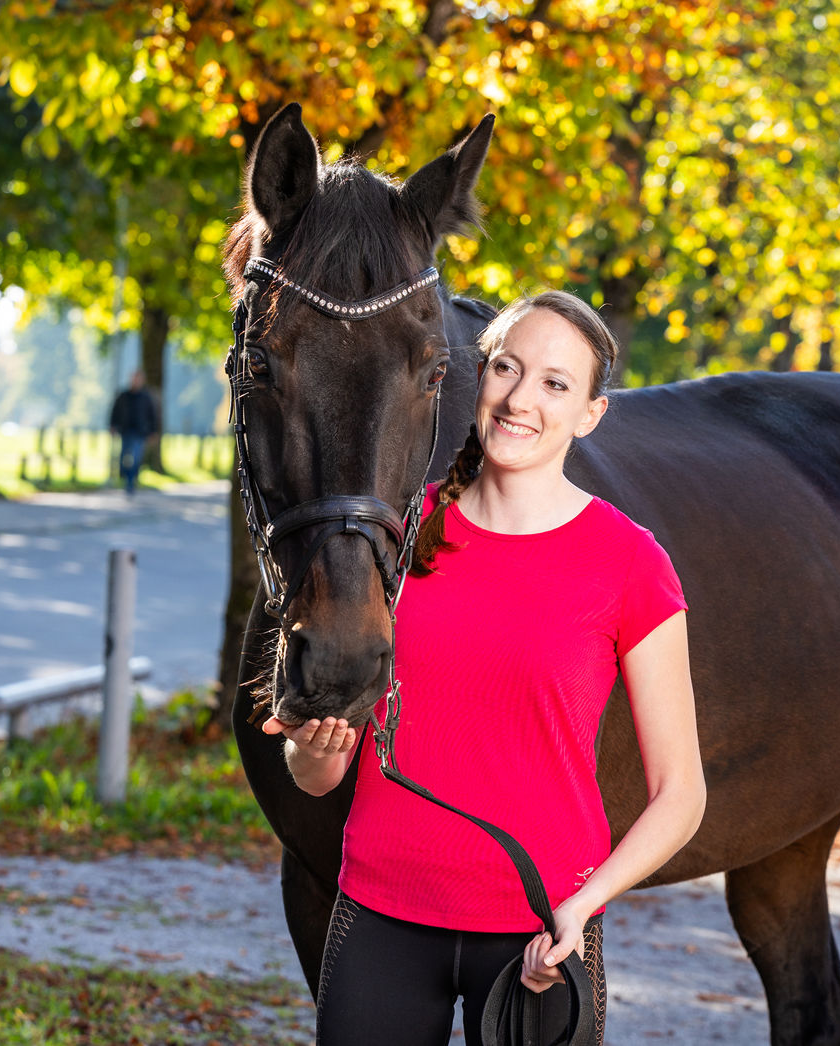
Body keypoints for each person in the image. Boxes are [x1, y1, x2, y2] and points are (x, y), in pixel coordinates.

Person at [262, 291, 706, 1046]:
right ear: (480, 379)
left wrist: (584, 906)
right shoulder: (392, 541)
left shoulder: (631, 562)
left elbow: (681, 794)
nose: (521, 398)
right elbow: (318, 777)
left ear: (589, 414)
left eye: (556, 384)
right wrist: (312, 749)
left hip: (540, 931)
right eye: (508, 368)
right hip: (380, 920)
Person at [109, 370, 158, 494]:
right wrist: (113, 426)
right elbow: (115, 411)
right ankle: (126, 477)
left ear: (142, 381)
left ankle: (131, 481)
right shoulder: (123, 396)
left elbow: (152, 415)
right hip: (125, 431)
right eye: (134, 378)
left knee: (136, 457)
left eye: (138, 379)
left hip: (140, 433)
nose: (136, 381)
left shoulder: (146, 397)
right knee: (124, 457)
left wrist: (153, 431)